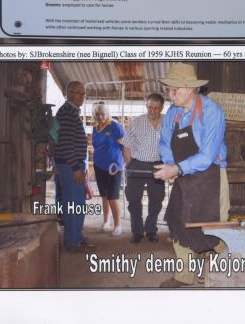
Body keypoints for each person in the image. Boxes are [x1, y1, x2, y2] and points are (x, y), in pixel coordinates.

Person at [154, 63, 229, 288]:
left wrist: (177, 168)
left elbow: (207, 155)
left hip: (212, 176)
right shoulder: (172, 114)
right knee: (178, 223)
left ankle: (216, 269)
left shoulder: (211, 111)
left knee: (213, 227)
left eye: (174, 89)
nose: (169, 94)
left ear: (190, 89)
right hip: (183, 175)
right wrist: (170, 166)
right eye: (168, 89)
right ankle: (184, 275)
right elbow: (165, 143)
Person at [54, 81, 93, 252]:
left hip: (73, 165)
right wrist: (76, 168)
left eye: (83, 94)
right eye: (78, 93)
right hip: (70, 167)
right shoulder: (66, 113)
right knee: (72, 204)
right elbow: (64, 143)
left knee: (78, 204)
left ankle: (77, 236)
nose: (82, 97)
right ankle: (72, 242)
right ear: (68, 93)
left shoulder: (71, 112)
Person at [123, 92, 166, 244]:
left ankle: (151, 230)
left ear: (161, 108)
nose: (152, 111)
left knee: (157, 199)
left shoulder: (167, 121)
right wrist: (129, 165)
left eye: (156, 108)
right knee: (134, 200)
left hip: (158, 165)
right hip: (137, 163)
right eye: (149, 107)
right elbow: (126, 145)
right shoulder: (137, 122)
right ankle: (137, 231)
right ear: (146, 106)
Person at [90, 102, 125, 236]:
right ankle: (106, 222)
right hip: (99, 166)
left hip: (114, 167)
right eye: (96, 114)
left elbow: (125, 146)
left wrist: (127, 162)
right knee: (104, 196)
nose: (99, 116)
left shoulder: (115, 126)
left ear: (107, 114)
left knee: (112, 197)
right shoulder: (95, 128)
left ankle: (118, 225)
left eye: (102, 114)